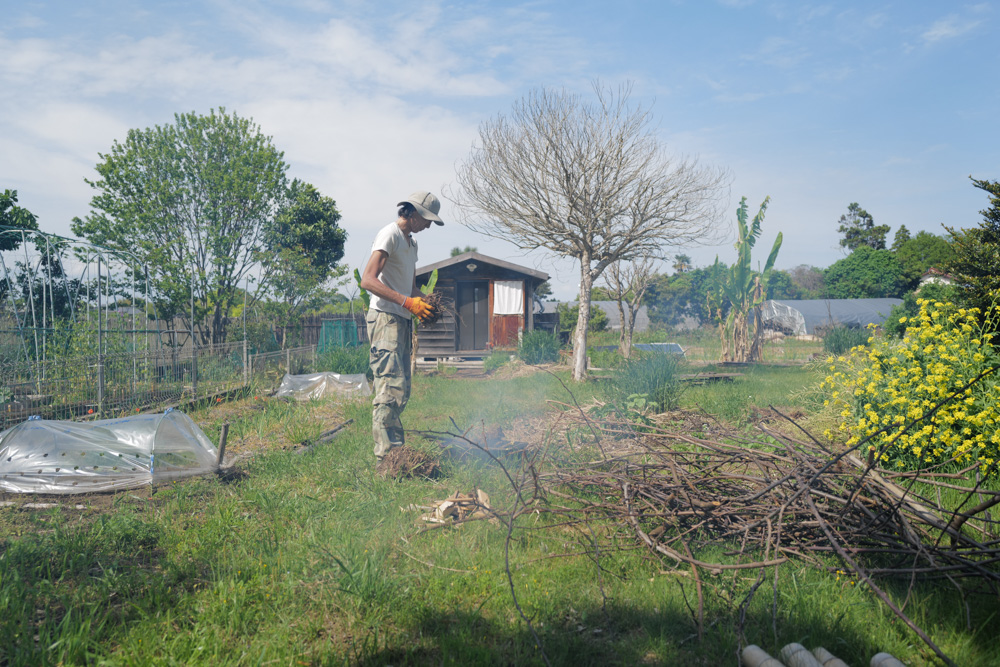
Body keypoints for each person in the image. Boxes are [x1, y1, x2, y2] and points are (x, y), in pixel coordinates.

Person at [359, 191, 443, 462]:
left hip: (402, 319)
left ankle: (396, 451)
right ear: (413, 213)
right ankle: (386, 458)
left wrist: (424, 302)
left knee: (401, 388)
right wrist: (408, 303)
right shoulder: (390, 234)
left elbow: (409, 287)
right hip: (385, 318)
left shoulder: (412, 243)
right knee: (388, 387)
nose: (429, 225)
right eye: (427, 219)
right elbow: (368, 281)